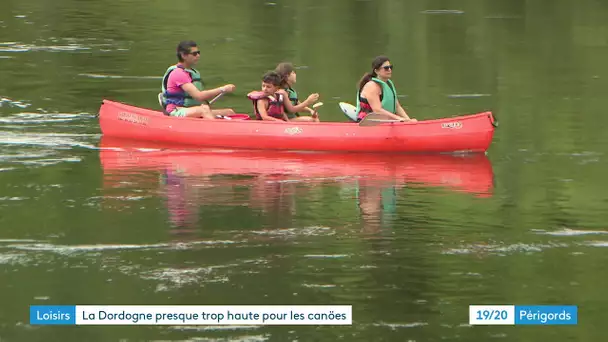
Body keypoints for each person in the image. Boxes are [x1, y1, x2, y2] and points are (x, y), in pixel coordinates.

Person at [160, 40, 236, 119]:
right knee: (204, 110)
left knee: (230, 112)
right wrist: (223, 89)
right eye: (194, 54)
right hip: (176, 111)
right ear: (183, 55)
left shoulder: (192, 72)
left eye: (198, 53)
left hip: (190, 109)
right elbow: (199, 96)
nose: (198, 56)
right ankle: (216, 130)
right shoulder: (178, 73)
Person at [356, 55, 416, 122]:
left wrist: (408, 120)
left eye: (390, 67)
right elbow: (377, 110)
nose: (389, 70)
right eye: (386, 68)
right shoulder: (372, 86)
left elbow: (397, 107)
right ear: (376, 71)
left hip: (385, 121)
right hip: (367, 122)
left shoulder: (389, 83)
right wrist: (398, 118)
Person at [247, 71, 320, 122]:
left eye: (268, 87)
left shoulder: (279, 96)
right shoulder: (262, 101)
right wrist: (280, 122)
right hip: (267, 125)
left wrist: (287, 122)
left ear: (276, 88)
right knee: (310, 120)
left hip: (280, 123)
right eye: (263, 86)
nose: (265, 89)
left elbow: (282, 112)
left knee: (311, 120)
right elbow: (264, 117)